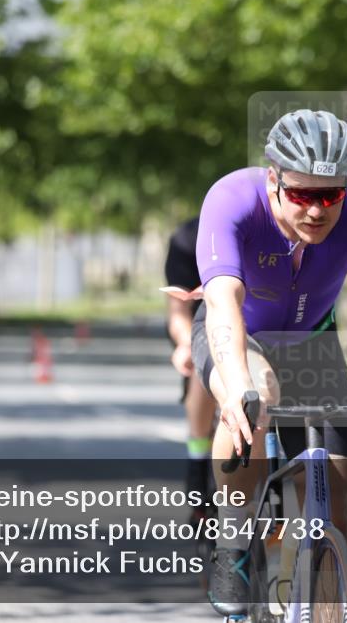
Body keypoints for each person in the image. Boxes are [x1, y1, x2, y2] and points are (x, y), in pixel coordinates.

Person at [192, 109, 347, 617]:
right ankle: (234, 541)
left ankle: (319, 591)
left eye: (330, 195)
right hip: (238, 335)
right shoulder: (232, 199)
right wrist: (240, 386)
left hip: (313, 341)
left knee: (335, 504)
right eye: (303, 194)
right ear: (273, 179)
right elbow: (223, 302)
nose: (316, 210)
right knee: (255, 391)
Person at [164, 217, 218, 526]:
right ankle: (198, 455)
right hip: (197, 324)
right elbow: (177, 311)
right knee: (202, 367)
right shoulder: (187, 240)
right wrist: (186, 344)